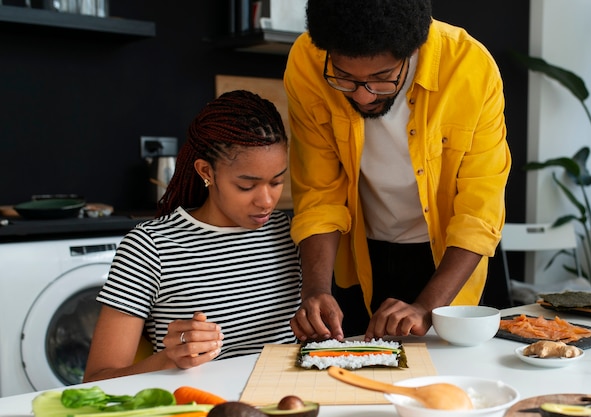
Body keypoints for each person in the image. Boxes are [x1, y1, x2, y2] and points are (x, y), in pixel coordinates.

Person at [284, 0, 511, 342]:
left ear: (412, 51)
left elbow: (479, 212)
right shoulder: (307, 62)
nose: (362, 97)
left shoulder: (470, 68)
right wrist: (316, 290)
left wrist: (425, 306)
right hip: (359, 253)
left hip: (448, 258)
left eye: (381, 78)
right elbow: (318, 192)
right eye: (344, 78)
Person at [83, 90, 301, 382]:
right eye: (246, 186)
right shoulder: (150, 247)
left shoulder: (291, 234)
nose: (266, 201)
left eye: (277, 181)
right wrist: (168, 359)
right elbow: (96, 380)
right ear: (206, 171)